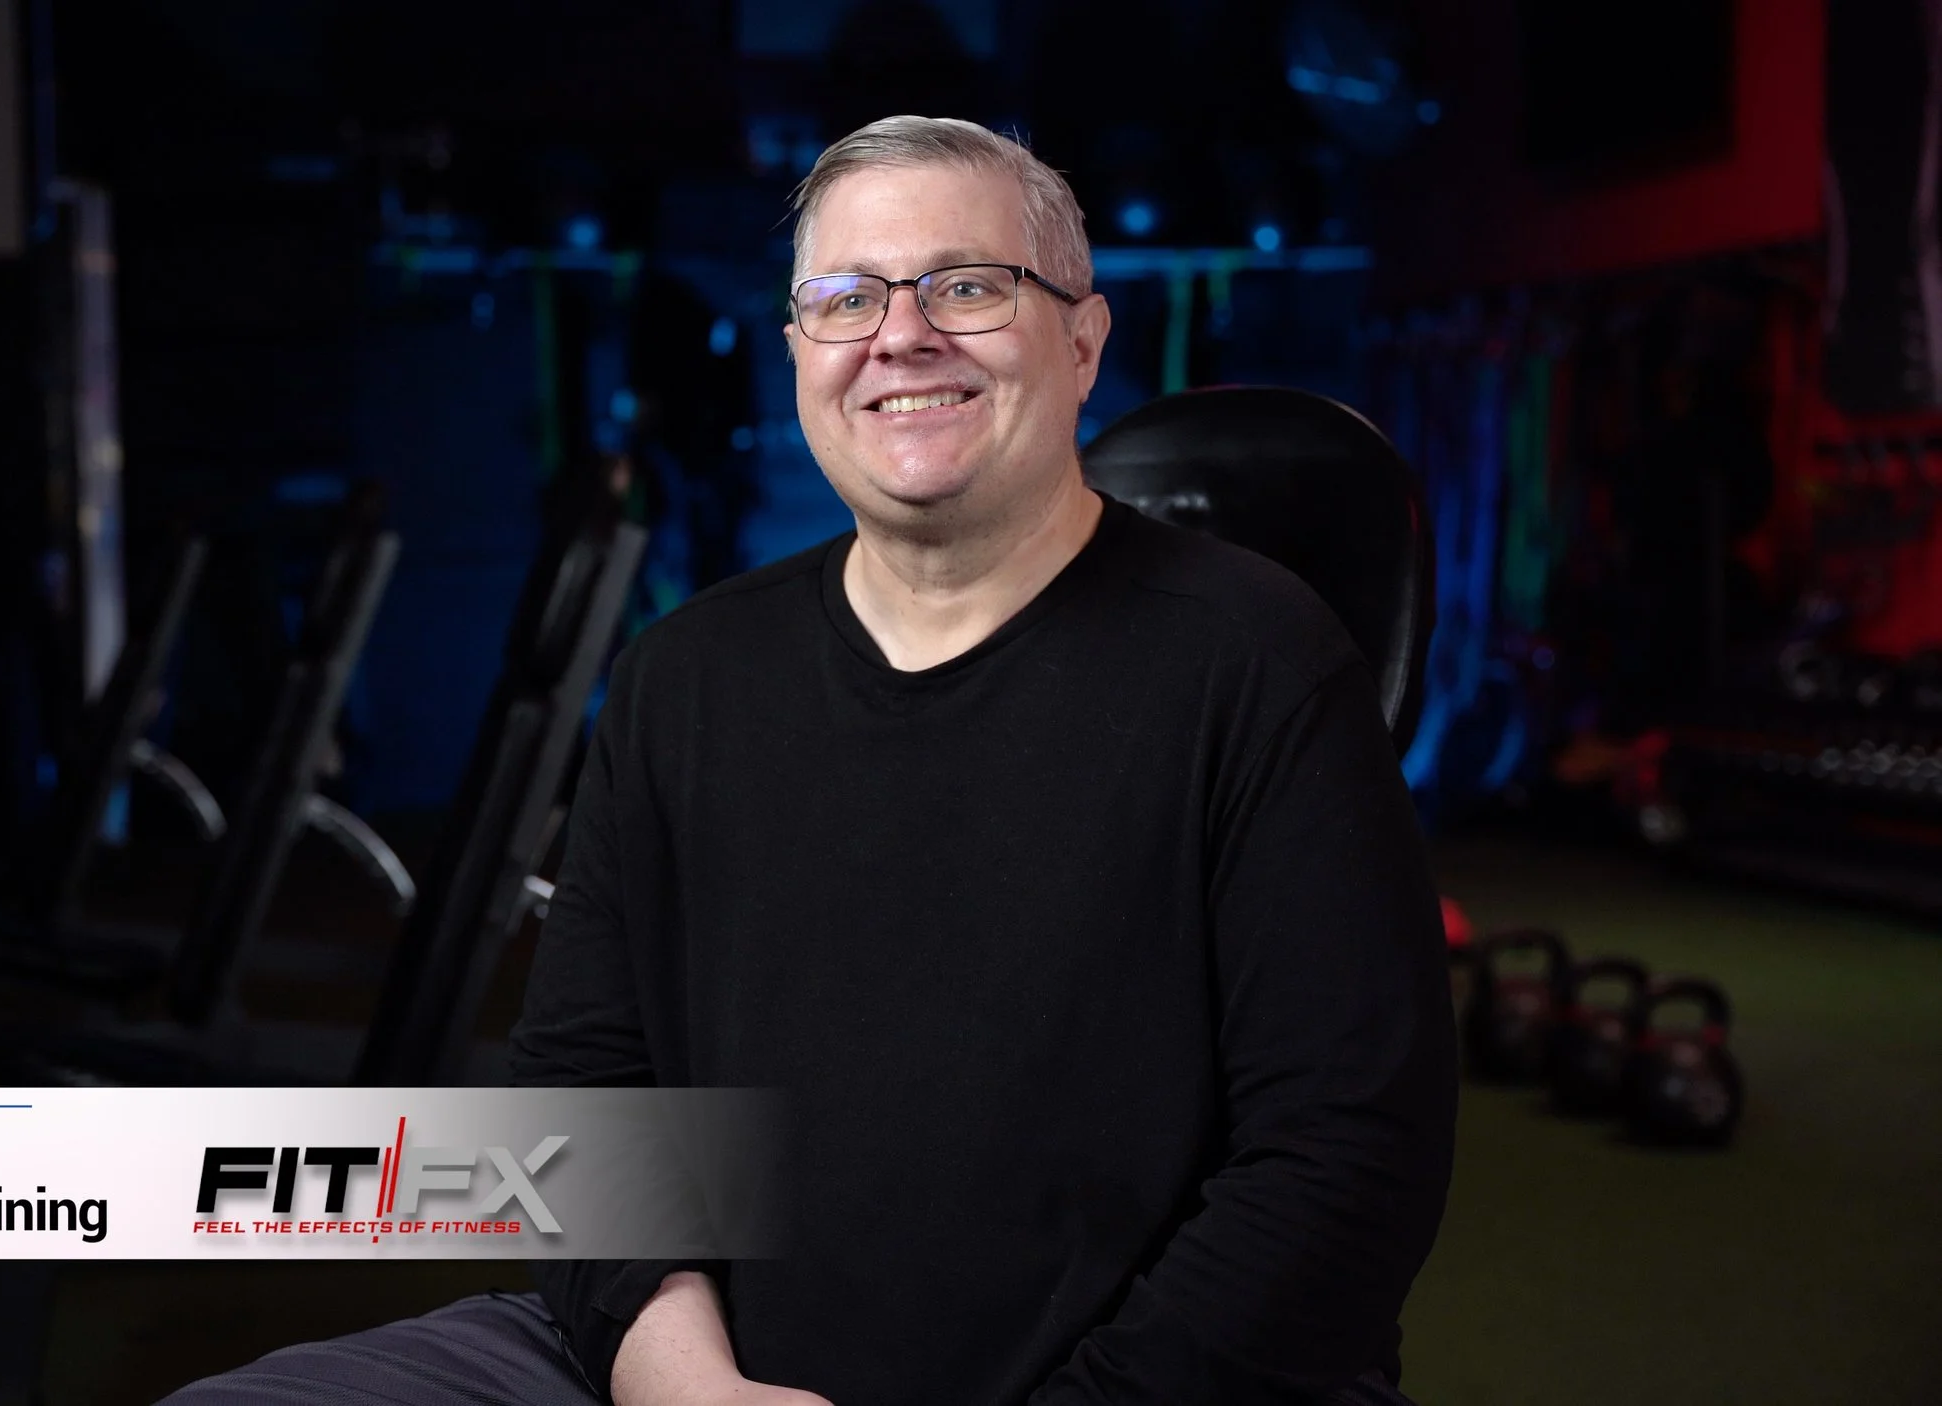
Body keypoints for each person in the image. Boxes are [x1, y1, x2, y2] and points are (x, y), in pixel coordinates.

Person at [164, 115, 1456, 1406]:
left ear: (1082, 339)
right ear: (797, 353)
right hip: (705, 1364)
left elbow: (1345, 1160)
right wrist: (680, 1373)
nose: (900, 333)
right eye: (845, 297)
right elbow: (580, 1097)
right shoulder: (685, 679)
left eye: (966, 285)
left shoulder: (1261, 662)